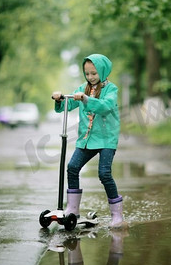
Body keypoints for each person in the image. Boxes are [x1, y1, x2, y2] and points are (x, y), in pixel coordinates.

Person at [51, 53, 126, 229]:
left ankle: (117, 215)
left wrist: (86, 99)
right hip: (87, 139)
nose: (90, 77)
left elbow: (105, 107)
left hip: (106, 138)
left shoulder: (111, 89)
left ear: (103, 71)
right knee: (72, 167)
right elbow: (67, 105)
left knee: (104, 173)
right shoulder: (83, 88)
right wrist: (60, 99)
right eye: (87, 74)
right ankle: (73, 209)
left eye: (94, 73)